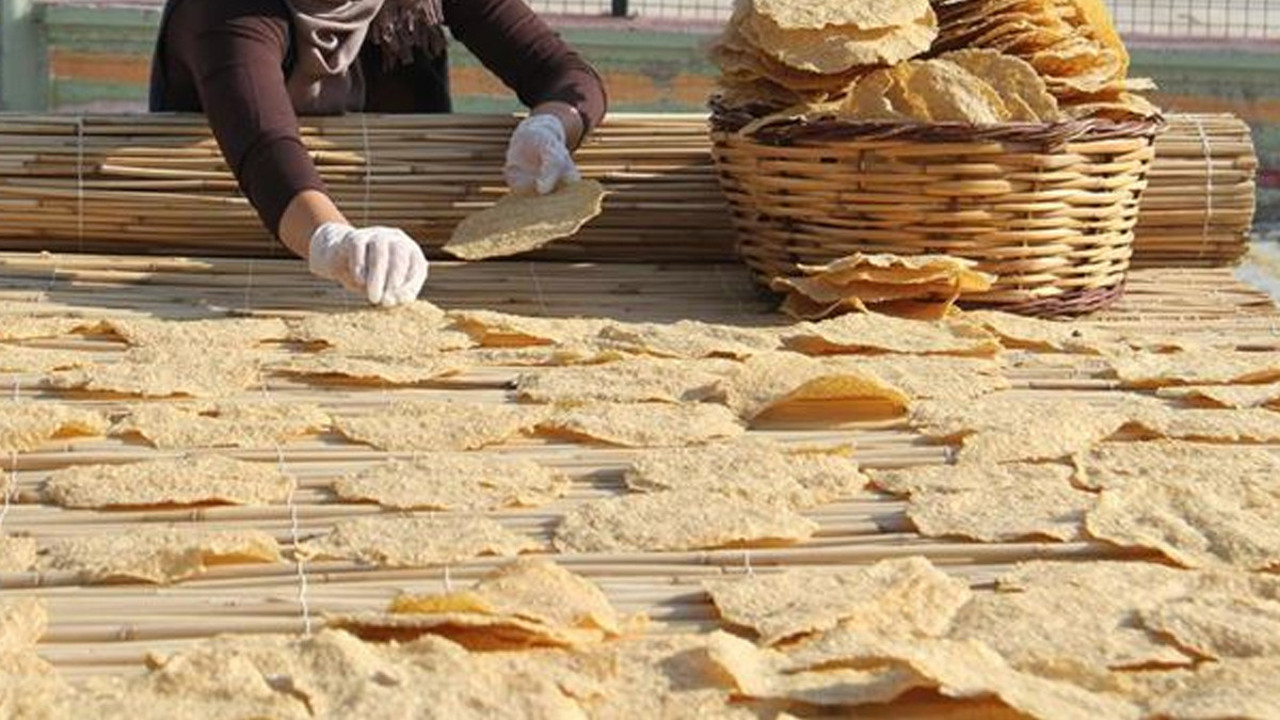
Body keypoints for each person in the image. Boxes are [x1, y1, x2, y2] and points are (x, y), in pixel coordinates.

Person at [149, 0, 607, 306]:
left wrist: (552, 125)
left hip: (395, 272)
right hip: (230, 253)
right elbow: (265, 150)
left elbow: (564, 73)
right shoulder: (224, 11)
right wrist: (336, 242)